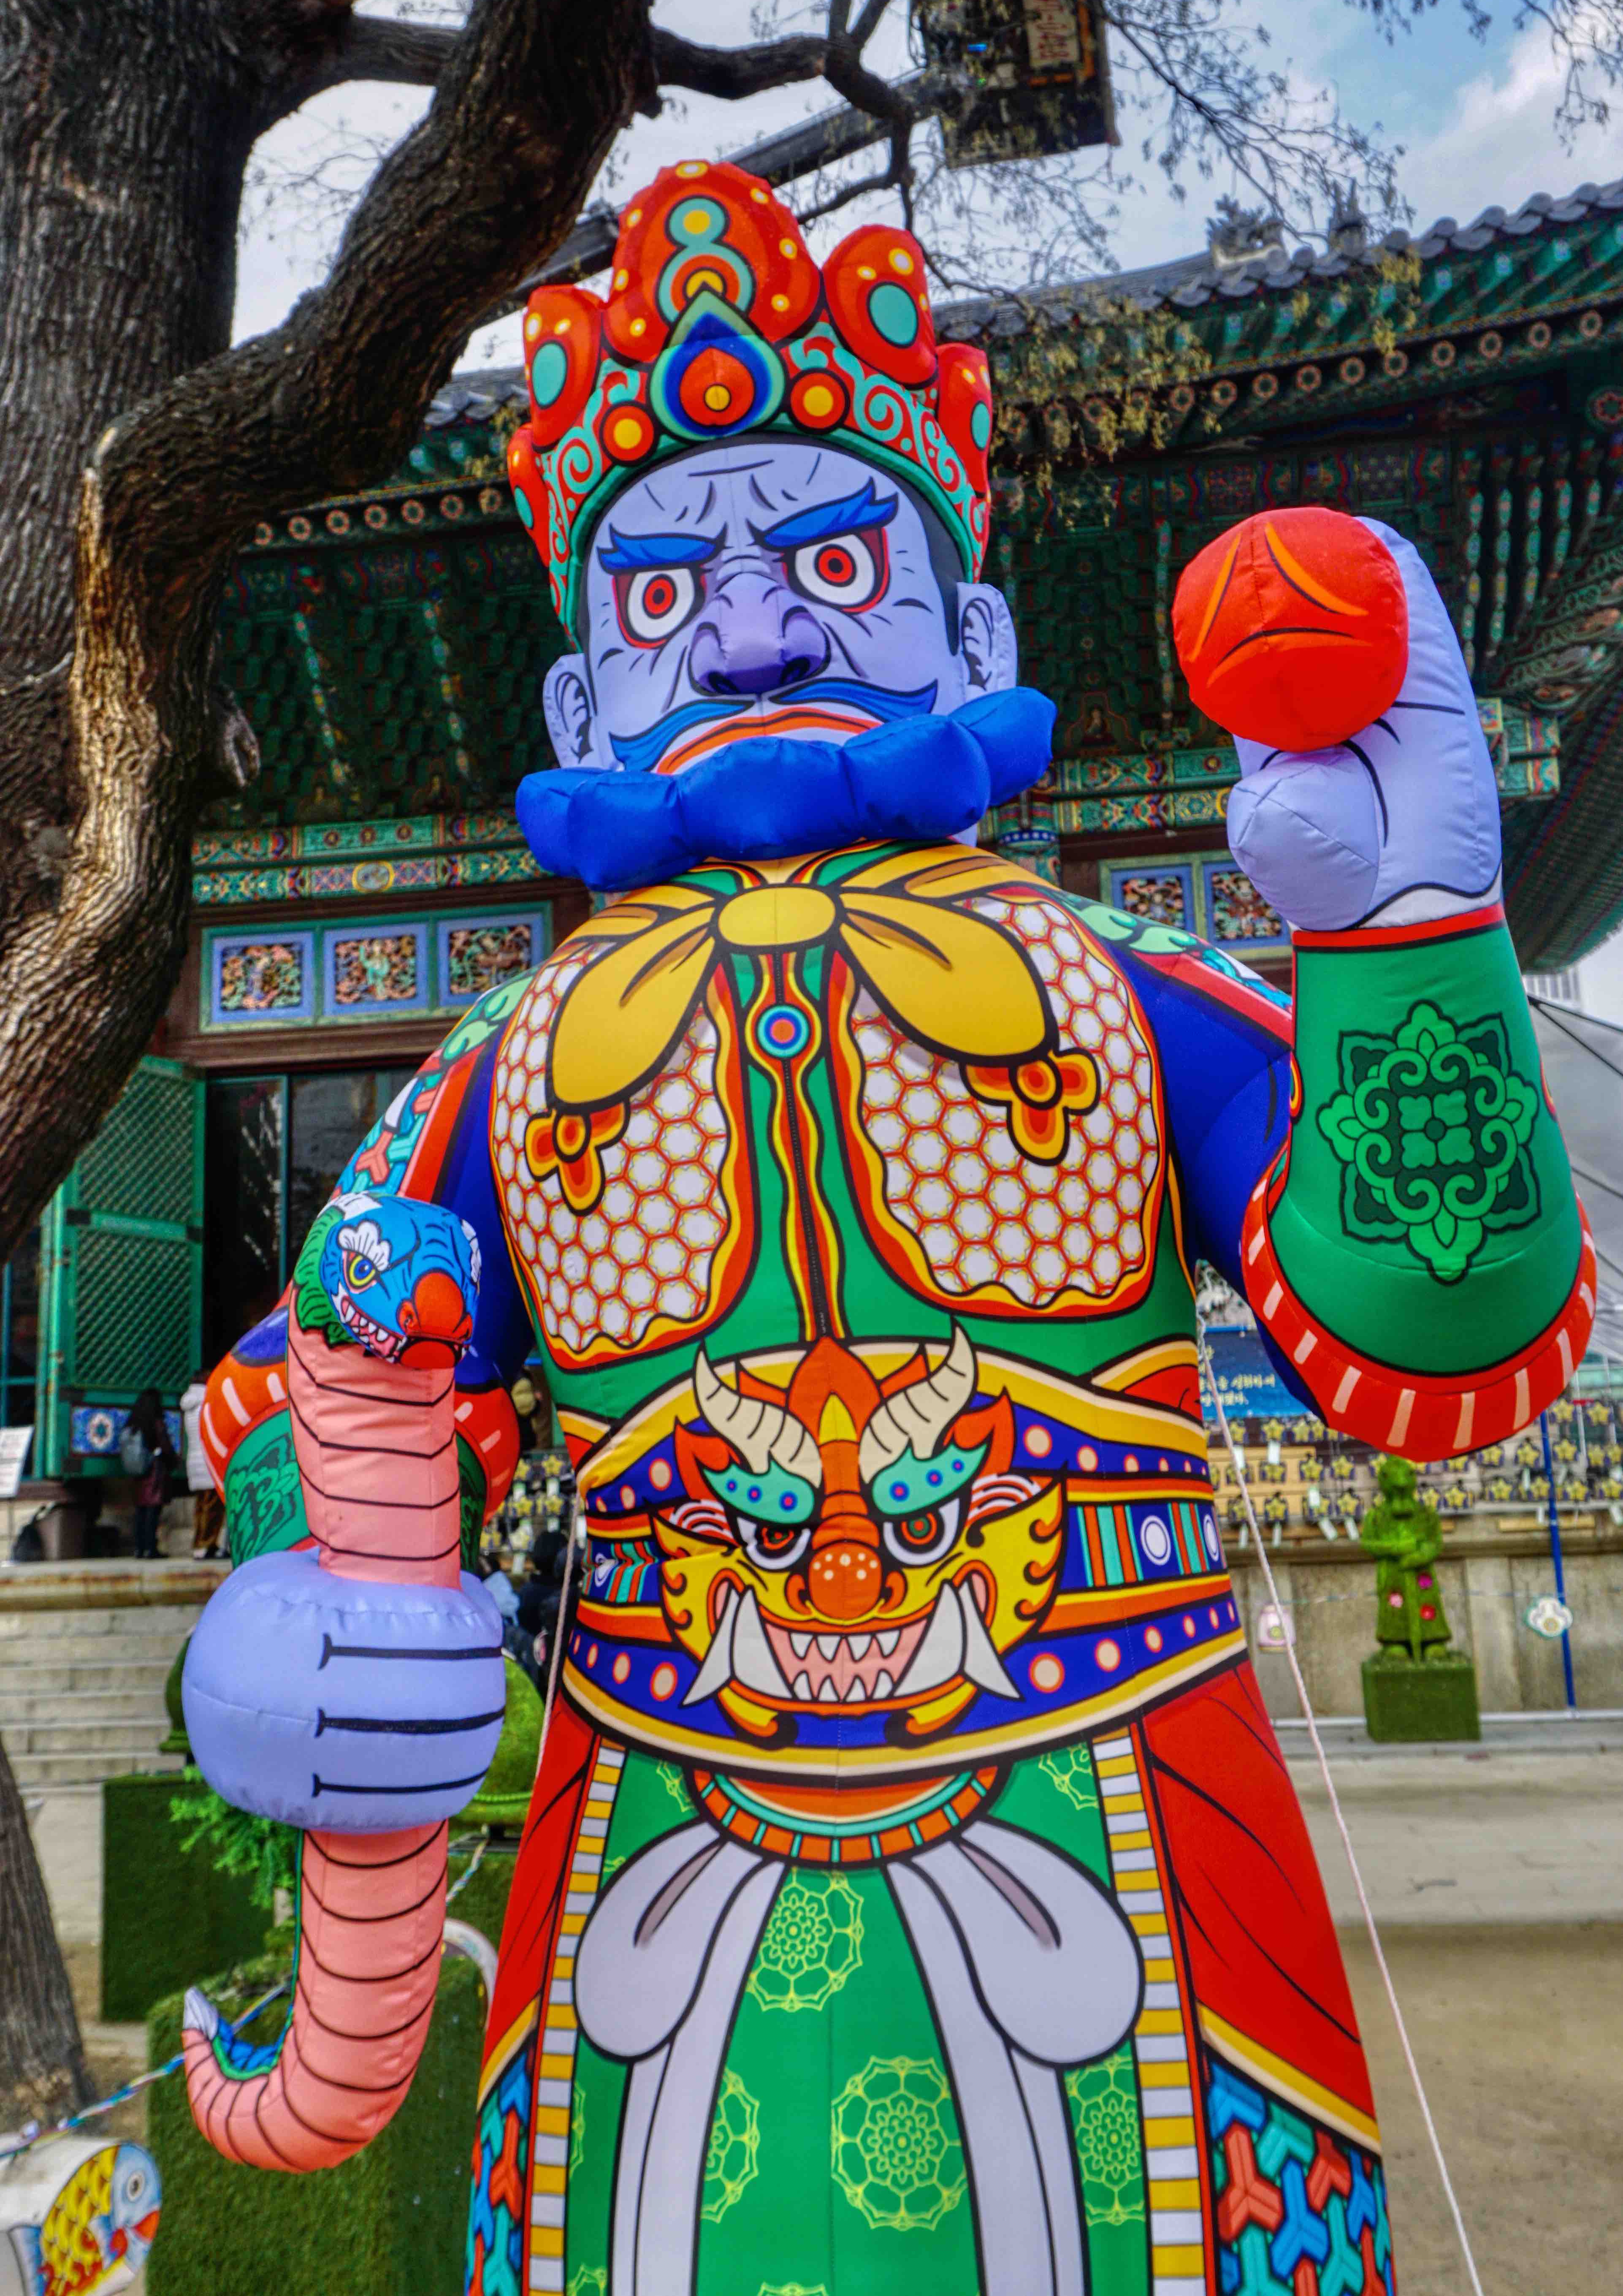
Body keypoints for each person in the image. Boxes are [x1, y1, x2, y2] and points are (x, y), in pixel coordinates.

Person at [180, 160, 1592, 2288]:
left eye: (836, 560)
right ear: (576, 706)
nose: (755, 631)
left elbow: (1432, 1348)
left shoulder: (1127, 982)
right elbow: (328, 1400)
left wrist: (1406, 935)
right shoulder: (494, 1062)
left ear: (975, 638)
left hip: (1117, 1780)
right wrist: (315, 1613)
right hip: (651, 1796)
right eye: (663, 593)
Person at [121, 1390, 175, 1561]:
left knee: (141, 1511)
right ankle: (151, 1548)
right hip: (154, 1472)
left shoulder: (133, 1425)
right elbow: (166, 1447)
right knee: (153, 1511)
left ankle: (140, 1548)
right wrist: (173, 1461)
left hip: (138, 1472)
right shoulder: (156, 1423)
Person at [179, 1368, 225, 1560]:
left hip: (194, 1460)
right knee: (213, 1507)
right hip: (208, 1460)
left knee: (201, 1506)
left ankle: (200, 1544)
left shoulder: (189, 1403)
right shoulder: (208, 1401)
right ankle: (206, 1545)